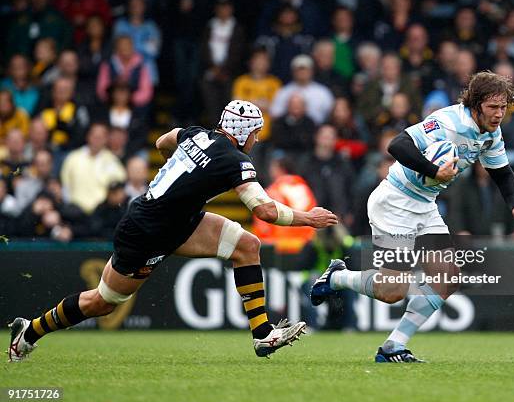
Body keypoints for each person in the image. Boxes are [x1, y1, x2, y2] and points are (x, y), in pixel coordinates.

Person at [8, 100, 338, 362]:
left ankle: (262, 333)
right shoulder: (235, 160)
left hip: (174, 220)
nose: (256, 139)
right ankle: (30, 331)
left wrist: (179, 168)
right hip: (147, 232)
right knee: (103, 301)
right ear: (243, 133)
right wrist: (309, 218)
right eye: (255, 133)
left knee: (246, 245)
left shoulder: (195, 133)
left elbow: (163, 140)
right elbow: (264, 210)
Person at [310, 72, 514, 362]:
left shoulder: (491, 134)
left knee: (448, 277)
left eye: (504, 107)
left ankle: (393, 347)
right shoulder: (448, 122)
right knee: (392, 290)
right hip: (395, 203)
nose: (499, 114)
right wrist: (434, 170)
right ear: (476, 104)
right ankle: (338, 277)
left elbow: (502, 172)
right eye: (493, 107)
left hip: (425, 205)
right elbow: (397, 145)